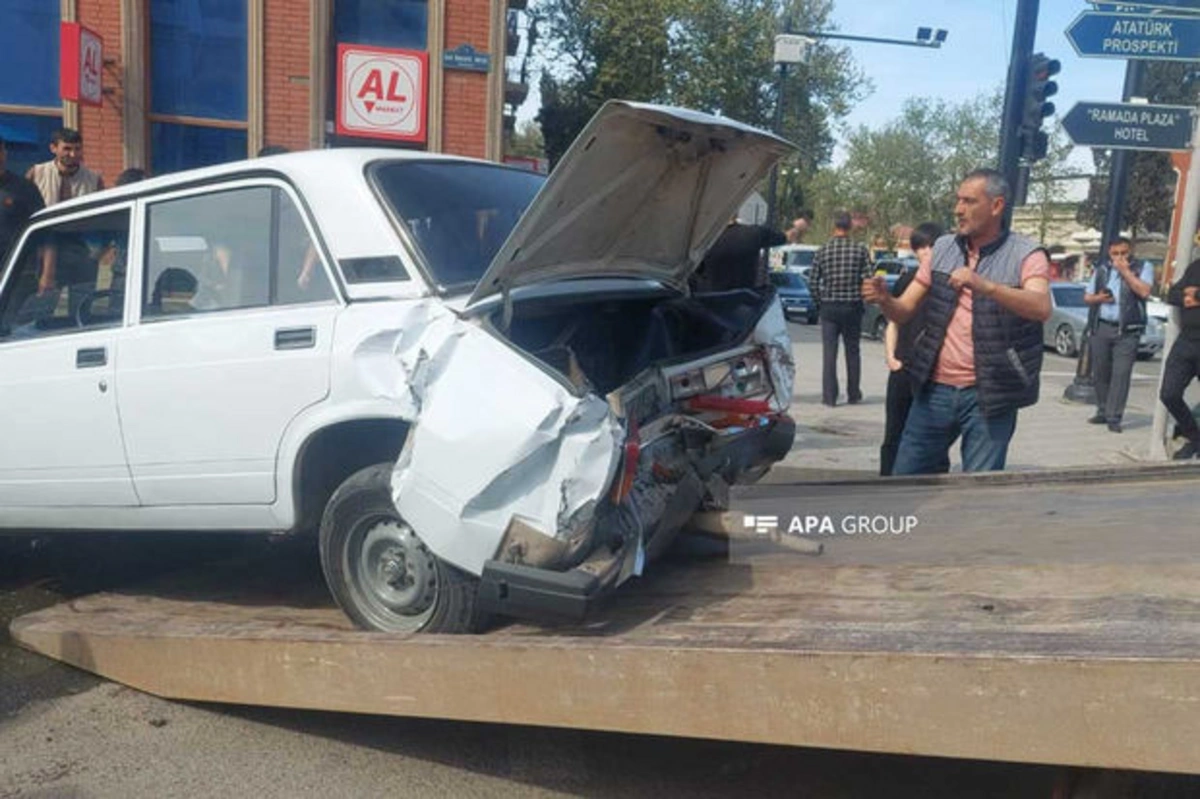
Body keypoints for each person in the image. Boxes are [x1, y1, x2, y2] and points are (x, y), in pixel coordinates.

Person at [863, 169, 1051, 474]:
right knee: (904, 481)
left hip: (990, 393)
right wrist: (885, 300)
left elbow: (1041, 307)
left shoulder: (1026, 254)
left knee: (976, 494)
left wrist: (986, 286)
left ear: (996, 206)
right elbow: (905, 310)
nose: (958, 209)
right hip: (934, 389)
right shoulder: (944, 248)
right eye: (957, 200)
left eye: (968, 201)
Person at [880, 222, 946, 476]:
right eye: (920, 247)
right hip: (903, 367)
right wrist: (890, 357)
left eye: (931, 246)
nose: (926, 252)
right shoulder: (907, 280)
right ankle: (886, 482)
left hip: (934, 371)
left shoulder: (948, 284)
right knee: (894, 433)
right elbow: (893, 323)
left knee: (933, 437)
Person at [1082, 237, 1154, 433]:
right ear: (1109, 253)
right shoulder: (1102, 270)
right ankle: (1103, 410)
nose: (1120, 257)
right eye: (1116, 254)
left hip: (1127, 329)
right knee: (1100, 371)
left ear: (1130, 252)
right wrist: (1099, 298)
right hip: (1102, 326)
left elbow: (1144, 291)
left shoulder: (1142, 267)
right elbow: (1087, 297)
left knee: (1121, 374)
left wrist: (1125, 272)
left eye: (1124, 253)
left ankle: (1115, 416)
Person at [810, 211, 873, 406]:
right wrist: (862, 299)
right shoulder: (860, 250)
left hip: (829, 307)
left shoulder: (823, 250)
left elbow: (813, 282)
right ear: (850, 227)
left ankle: (829, 397)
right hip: (852, 306)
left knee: (830, 353)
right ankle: (853, 393)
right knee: (853, 351)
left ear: (833, 226)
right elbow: (868, 279)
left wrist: (821, 301)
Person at [1160, 257, 1200, 460]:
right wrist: (1187, 296)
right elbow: (1172, 294)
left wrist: (1197, 294)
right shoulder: (1195, 266)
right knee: (1169, 393)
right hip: (1187, 341)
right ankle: (1195, 437)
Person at [690, 216, 785, 293]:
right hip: (744, 300)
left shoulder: (705, 239)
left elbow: (695, 270)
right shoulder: (753, 233)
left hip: (712, 301)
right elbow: (783, 238)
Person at [26, 128, 104, 207]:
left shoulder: (94, 180)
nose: (73, 154)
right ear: (53, 148)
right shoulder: (37, 174)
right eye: (67, 149)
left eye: (77, 149)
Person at [0, 135, 45, 261]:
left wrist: (47, 272)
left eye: (0, 151)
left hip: (16, 267)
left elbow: (44, 233)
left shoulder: (24, 188)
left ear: (4, 153)